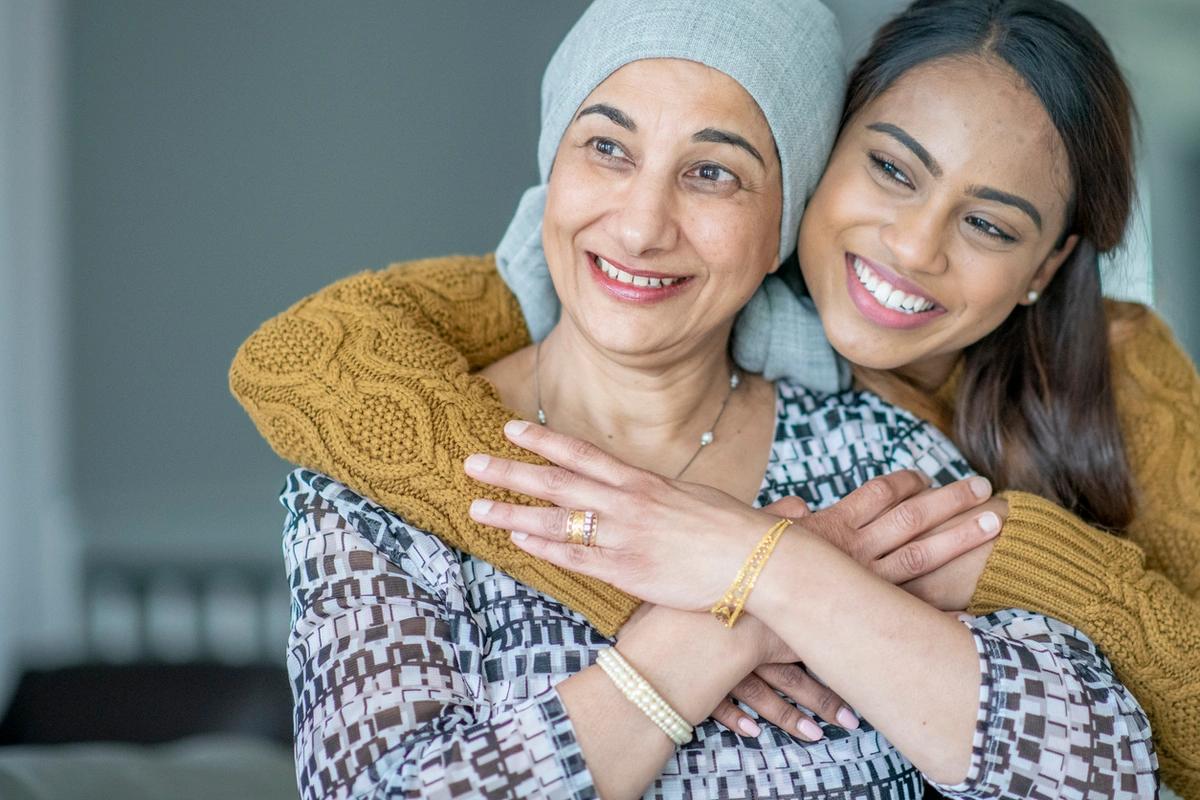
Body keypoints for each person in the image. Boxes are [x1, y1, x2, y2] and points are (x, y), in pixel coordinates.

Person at [235, 0, 1162, 797]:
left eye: (713, 171)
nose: (641, 226)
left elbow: (1111, 774)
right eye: (606, 147)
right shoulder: (382, 475)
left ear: (782, 228)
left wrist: (780, 571)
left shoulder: (887, 460)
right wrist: (715, 635)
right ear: (551, 170)